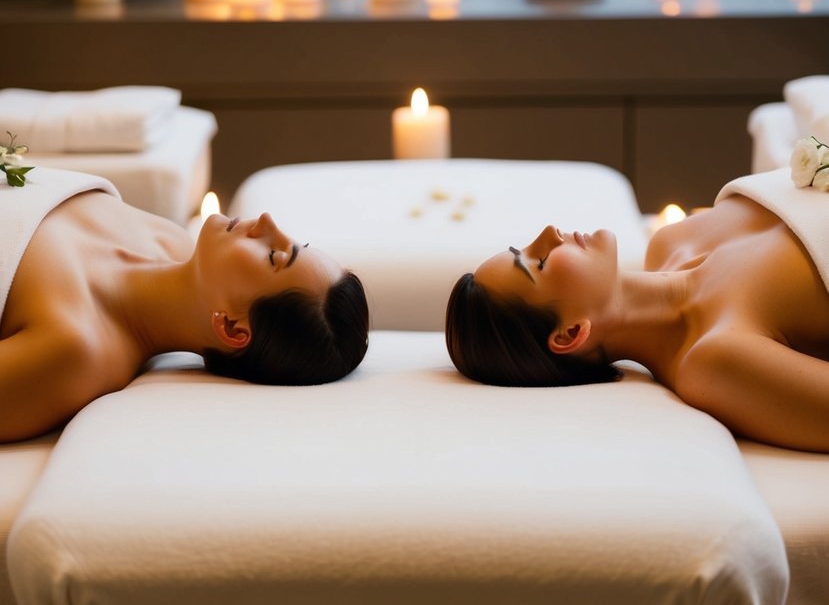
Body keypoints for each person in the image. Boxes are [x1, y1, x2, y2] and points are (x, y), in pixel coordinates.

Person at [445, 168, 829, 453]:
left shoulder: (672, 240)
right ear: (570, 333)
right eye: (539, 262)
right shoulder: (712, 359)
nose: (549, 232)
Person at [0, 166, 368, 444]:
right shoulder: (166, 239)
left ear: (232, 327)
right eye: (296, 242)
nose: (269, 221)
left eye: (273, 256)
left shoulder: (75, 350)